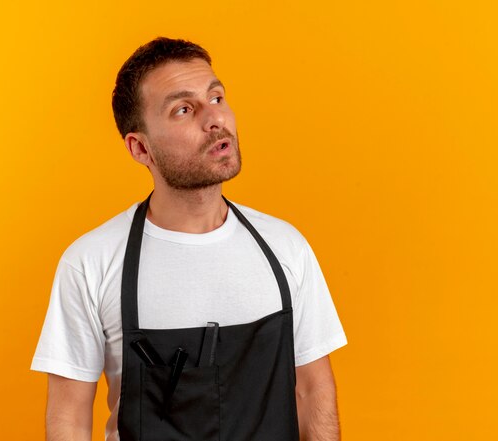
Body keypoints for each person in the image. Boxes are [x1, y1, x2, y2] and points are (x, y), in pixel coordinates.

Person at [32, 37, 347, 441]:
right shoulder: (91, 262)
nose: (214, 119)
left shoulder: (287, 248)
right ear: (140, 147)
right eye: (184, 109)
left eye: (216, 98)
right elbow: (69, 418)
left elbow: (312, 390)